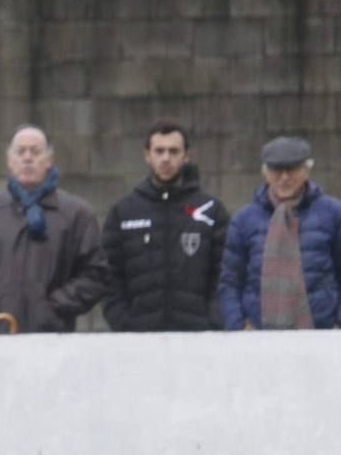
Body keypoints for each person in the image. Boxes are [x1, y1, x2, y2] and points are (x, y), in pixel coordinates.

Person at [0, 125, 108, 333]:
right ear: (9, 160)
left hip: (53, 336)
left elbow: (96, 273)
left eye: (35, 151)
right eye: (20, 151)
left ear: (49, 160)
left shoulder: (76, 214)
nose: (27, 158)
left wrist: (55, 307)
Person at [102, 118, 229, 331]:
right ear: (147, 155)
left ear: (186, 156)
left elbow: (224, 273)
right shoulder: (123, 212)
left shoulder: (210, 210)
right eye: (159, 151)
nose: (166, 158)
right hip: (137, 340)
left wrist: (212, 322)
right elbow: (109, 276)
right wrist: (124, 322)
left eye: (173, 151)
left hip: (198, 339)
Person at [219, 136, 341, 330]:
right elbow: (231, 281)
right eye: (277, 170)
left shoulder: (333, 213)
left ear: (306, 171)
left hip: (321, 333)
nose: (284, 177)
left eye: (292, 169)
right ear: (265, 173)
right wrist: (237, 328)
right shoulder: (244, 220)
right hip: (258, 336)